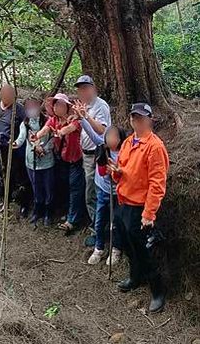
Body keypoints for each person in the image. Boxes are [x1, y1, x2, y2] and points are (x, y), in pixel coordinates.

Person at [107, 103, 169, 313]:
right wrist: (116, 171)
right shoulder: (127, 142)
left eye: (141, 118)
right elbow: (124, 171)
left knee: (144, 251)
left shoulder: (155, 147)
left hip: (140, 208)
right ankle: (135, 277)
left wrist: (149, 213)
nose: (137, 121)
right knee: (126, 244)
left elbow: (157, 183)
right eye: (134, 118)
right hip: (123, 202)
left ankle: (158, 291)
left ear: (150, 120)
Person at [74, 102, 126, 266]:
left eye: (114, 137)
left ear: (120, 139)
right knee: (99, 219)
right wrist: (82, 118)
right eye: (108, 136)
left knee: (116, 222)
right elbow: (91, 132)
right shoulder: (102, 147)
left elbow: (127, 172)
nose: (111, 140)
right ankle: (99, 247)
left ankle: (116, 249)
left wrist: (117, 171)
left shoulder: (125, 153)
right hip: (103, 190)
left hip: (117, 194)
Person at [33, 93, 84, 234]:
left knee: (75, 187)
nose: (57, 107)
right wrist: (36, 136)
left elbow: (70, 129)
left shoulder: (74, 120)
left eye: (61, 105)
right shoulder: (52, 120)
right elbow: (45, 129)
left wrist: (61, 132)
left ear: (67, 107)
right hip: (61, 160)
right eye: (55, 105)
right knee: (65, 186)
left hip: (75, 160)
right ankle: (67, 212)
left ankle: (73, 220)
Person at [75, 75, 111, 244]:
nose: (83, 91)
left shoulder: (100, 106)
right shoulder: (86, 105)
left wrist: (86, 117)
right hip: (86, 155)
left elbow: (102, 131)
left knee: (94, 193)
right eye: (80, 89)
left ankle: (100, 231)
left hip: (97, 154)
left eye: (86, 88)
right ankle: (96, 226)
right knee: (91, 192)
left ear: (93, 88)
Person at [0, 85, 29, 211]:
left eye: (9, 93)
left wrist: (17, 141)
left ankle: (23, 203)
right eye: (4, 92)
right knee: (3, 173)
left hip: (13, 150)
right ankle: (7, 200)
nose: (6, 95)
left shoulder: (19, 109)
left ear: (14, 95)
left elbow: (26, 126)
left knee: (18, 175)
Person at [15, 97, 54, 226]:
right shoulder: (25, 123)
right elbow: (21, 138)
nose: (31, 109)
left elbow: (53, 139)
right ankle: (38, 211)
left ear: (39, 106)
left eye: (34, 106)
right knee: (36, 187)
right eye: (28, 107)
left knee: (48, 187)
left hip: (47, 161)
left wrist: (44, 148)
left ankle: (48, 212)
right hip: (31, 162)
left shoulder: (48, 122)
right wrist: (14, 143)